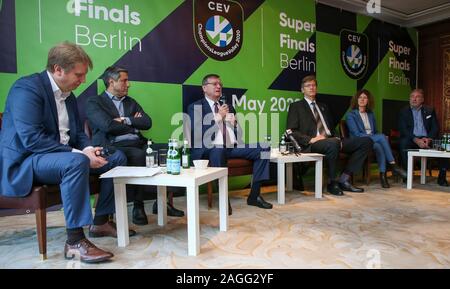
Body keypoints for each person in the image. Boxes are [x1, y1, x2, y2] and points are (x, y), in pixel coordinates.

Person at [0, 42, 131, 263]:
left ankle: (100, 220)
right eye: (78, 75)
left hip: (62, 156)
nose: (82, 80)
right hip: (28, 160)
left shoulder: (68, 95)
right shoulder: (27, 89)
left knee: (116, 158)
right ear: (58, 69)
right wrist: (79, 154)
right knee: (75, 161)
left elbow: (78, 132)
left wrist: (88, 149)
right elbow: (31, 139)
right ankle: (75, 241)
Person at [86, 66, 184, 225]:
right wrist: (134, 123)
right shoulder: (95, 102)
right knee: (139, 155)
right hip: (113, 146)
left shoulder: (131, 102)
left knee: (171, 149)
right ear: (111, 82)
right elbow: (107, 126)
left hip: (139, 143)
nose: (128, 84)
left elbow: (147, 122)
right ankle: (138, 206)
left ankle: (162, 202)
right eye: (124, 80)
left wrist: (124, 120)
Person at [188, 74, 272, 210]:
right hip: (209, 149)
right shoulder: (196, 107)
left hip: (231, 147)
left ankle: (255, 195)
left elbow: (238, 135)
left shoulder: (228, 107)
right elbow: (199, 134)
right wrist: (218, 117)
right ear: (204, 88)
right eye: (214, 84)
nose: (218, 86)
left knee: (264, 148)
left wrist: (234, 125)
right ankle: (223, 199)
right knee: (218, 149)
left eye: (220, 84)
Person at [286, 75, 373, 196]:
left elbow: (330, 128)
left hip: (332, 141)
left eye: (314, 85)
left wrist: (336, 137)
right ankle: (332, 183)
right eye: (308, 86)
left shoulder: (323, 106)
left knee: (366, 141)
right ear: (302, 90)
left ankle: (344, 178)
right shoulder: (296, 107)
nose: (311, 88)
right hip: (313, 144)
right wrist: (311, 139)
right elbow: (292, 131)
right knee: (333, 143)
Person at [346, 89, 407, 188]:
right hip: (359, 141)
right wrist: (377, 137)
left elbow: (374, 131)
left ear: (368, 101)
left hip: (372, 140)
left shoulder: (370, 114)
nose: (362, 99)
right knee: (382, 137)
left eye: (365, 97)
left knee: (379, 145)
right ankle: (393, 166)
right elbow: (356, 134)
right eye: (360, 97)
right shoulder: (351, 115)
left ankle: (383, 176)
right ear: (356, 100)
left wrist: (377, 136)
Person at [398, 88, 449, 186]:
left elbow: (435, 127)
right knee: (403, 142)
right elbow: (403, 129)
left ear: (422, 99)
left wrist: (429, 138)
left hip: (427, 139)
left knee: (444, 143)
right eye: (412, 97)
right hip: (412, 139)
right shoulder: (403, 111)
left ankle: (442, 178)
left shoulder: (429, 110)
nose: (414, 99)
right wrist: (416, 140)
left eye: (417, 97)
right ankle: (407, 174)